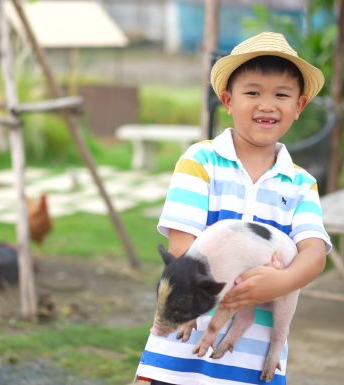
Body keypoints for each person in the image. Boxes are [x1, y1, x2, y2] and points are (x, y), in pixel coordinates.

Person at [135, 32, 332, 385]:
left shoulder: (301, 183)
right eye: (253, 92)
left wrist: (283, 280)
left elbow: (314, 254)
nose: (267, 105)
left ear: (299, 106)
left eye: (281, 95)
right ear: (227, 100)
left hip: (253, 362)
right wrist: (253, 278)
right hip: (180, 354)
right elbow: (182, 250)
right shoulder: (200, 161)